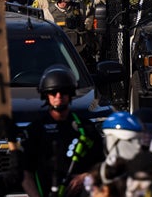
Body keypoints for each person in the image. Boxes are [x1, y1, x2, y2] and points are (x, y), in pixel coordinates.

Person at [21, 65, 104, 197]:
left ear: (70, 94)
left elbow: (102, 165)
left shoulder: (85, 128)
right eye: (53, 93)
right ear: (46, 96)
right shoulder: (35, 130)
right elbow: (25, 173)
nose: (58, 96)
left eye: (64, 92)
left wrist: (85, 177)